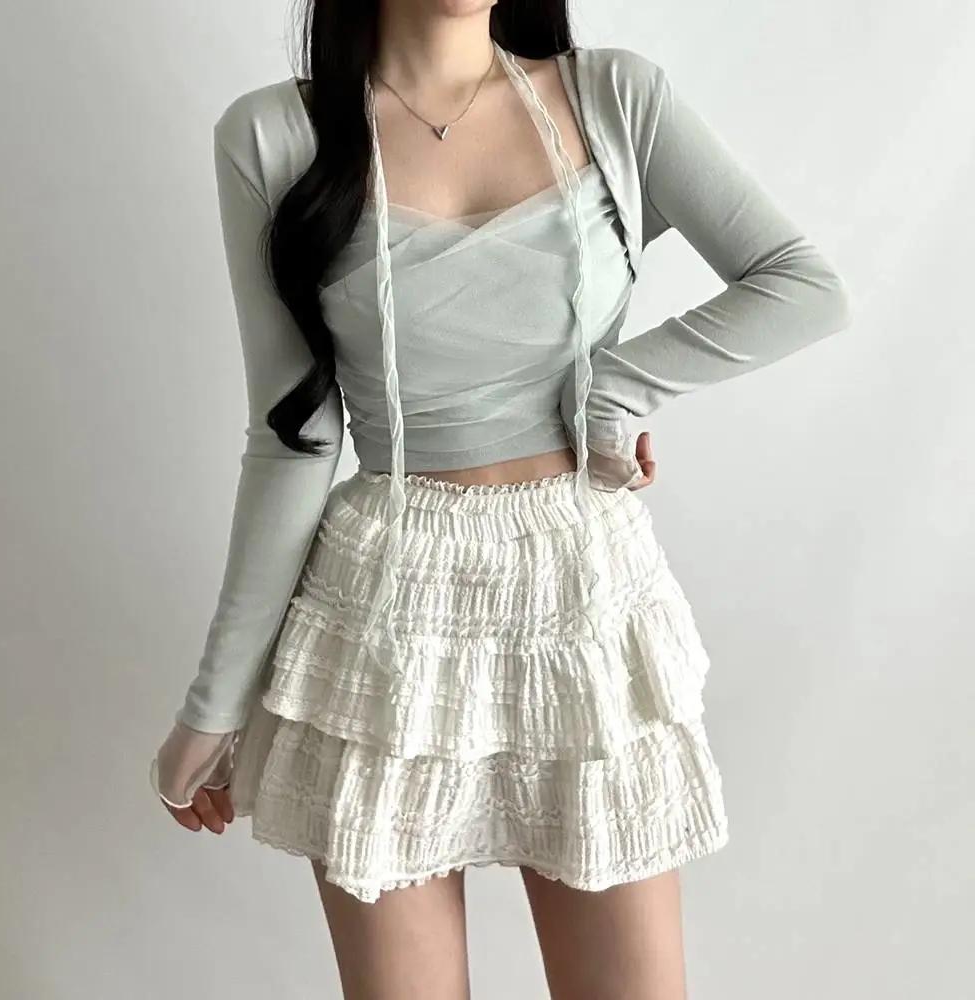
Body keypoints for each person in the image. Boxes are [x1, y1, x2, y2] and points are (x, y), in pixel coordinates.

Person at [149, 1, 852, 997]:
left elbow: (801, 284)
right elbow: (293, 437)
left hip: (583, 600)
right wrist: (213, 703)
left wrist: (620, 387)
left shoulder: (614, 96)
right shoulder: (273, 135)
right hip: (386, 613)